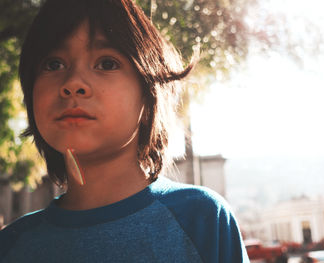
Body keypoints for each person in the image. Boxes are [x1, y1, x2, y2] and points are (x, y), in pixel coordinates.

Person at [0, 0, 249, 262]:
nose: (73, 83)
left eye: (106, 63)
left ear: (148, 93)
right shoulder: (11, 246)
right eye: (53, 65)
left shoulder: (202, 219)